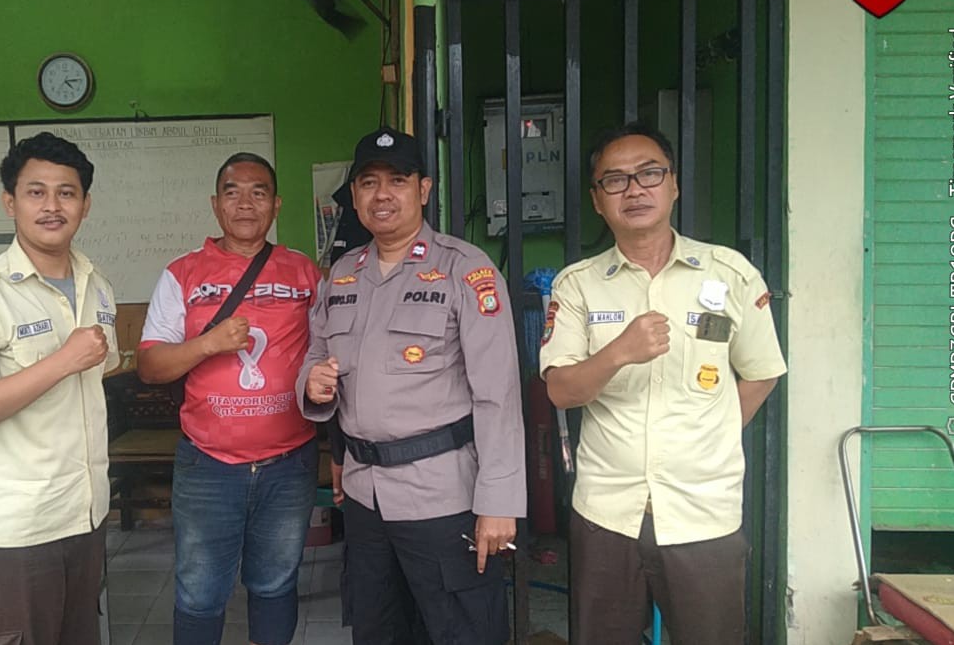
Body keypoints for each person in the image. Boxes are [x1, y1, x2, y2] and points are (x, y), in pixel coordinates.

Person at [539, 123, 787, 645]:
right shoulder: (578, 285)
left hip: (704, 512)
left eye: (649, 174)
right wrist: (619, 352)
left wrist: (711, 436)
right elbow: (561, 390)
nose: (634, 189)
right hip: (607, 513)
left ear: (674, 185)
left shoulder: (731, 275)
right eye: (615, 180)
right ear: (597, 201)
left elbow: (761, 372)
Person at [299, 127, 527, 645]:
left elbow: (498, 394)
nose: (382, 194)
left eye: (397, 180)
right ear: (354, 195)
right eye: (368, 183)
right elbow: (316, 354)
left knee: (461, 632)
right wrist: (310, 383)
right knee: (378, 631)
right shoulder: (341, 275)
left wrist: (499, 501)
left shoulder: (464, 269)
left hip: (443, 498)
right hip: (365, 499)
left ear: (423, 189)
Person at [0, 132, 119, 645]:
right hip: (19, 530)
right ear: (10, 202)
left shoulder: (97, 284)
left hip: (85, 514)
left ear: (85, 204)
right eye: (36, 192)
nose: (52, 206)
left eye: (66, 192)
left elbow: (95, 380)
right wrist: (61, 361)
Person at [137, 152, 320, 645]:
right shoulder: (183, 273)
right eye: (233, 193)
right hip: (208, 465)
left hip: (289, 464)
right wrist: (208, 344)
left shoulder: (305, 273)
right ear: (215, 204)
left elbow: (327, 350)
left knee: (276, 582)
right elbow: (150, 366)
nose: (245, 204)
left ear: (276, 205)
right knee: (199, 592)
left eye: (259, 193)